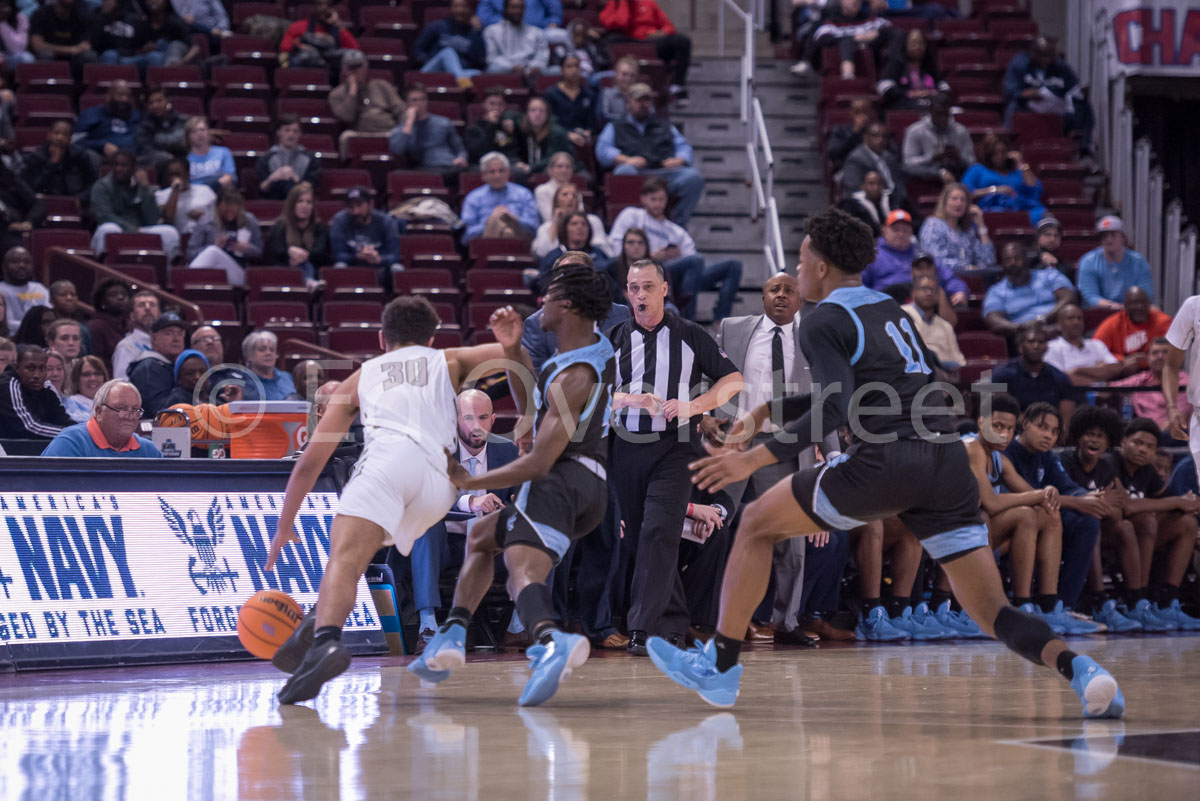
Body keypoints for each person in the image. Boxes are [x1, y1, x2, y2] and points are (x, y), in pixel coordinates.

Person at [646, 208, 1124, 718]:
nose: (799, 267)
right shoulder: (892, 310)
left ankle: (719, 667)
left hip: (886, 461)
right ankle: (1084, 673)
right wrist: (767, 409)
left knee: (757, 525)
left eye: (803, 256)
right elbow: (863, 393)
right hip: (945, 464)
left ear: (822, 264)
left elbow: (834, 406)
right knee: (993, 612)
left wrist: (753, 458)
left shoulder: (824, 317)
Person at [263, 297, 536, 703]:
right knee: (379, 540)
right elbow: (518, 359)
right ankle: (315, 626)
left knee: (346, 560)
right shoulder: (449, 359)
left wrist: (285, 526)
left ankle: (325, 640)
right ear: (431, 336)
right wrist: (525, 406)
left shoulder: (359, 378)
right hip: (439, 486)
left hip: (387, 466)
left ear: (381, 338)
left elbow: (309, 463)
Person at [406, 261, 616, 706]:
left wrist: (471, 479)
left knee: (523, 570)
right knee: (483, 536)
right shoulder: (584, 352)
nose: (542, 300)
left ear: (569, 305)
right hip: (582, 481)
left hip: (564, 480)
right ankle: (453, 635)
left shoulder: (577, 375)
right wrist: (515, 349)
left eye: (551, 293)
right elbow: (535, 405)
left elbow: (539, 463)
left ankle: (548, 642)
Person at [607, 259, 742, 653]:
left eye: (647, 287)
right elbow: (593, 395)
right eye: (633, 288)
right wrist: (632, 398)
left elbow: (733, 380)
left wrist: (692, 406)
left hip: (676, 446)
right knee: (640, 540)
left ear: (664, 290)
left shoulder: (690, 335)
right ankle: (672, 625)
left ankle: (642, 629)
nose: (640, 295)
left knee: (658, 531)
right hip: (627, 448)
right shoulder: (614, 338)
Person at [714, 272, 839, 645]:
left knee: (791, 540)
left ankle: (786, 623)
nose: (781, 296)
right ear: (763, 296)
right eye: (774, 290)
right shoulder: (733, 329)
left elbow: (824, 402)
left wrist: (832, 452)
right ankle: (708, 619)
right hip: (738, 442)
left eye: (789, 290)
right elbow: (713, 378)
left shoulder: (813, 341)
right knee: (717, 525)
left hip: (786, 445)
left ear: (800, 299)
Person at [964, 393, 1095, 634]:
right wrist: (1041, 494)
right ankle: (1022, 604)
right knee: (1026, 513)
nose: (1004, 434)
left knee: (1047, 513)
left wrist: (1045, 497)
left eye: (1010, 428)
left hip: (981, 532)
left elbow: (1038, 498)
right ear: (981, 423)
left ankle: (1048, 605)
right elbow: (990, 503)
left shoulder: (998, 457)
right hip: (952, 531)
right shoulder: (973, 448)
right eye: (997, 426)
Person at [408, 388, 519, 653]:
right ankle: (428, 627)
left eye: (483, 418)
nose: (476, 426)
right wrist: (471, 502)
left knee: (538, 528)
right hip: (445, 546)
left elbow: (522, 497)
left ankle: (519, 627)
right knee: (425, 525)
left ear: (493, 420)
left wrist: (517, 505)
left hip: (488, 549)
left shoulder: (507, 452)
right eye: (468, 418)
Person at [1105, 417, 1200, 629]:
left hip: (1138, 539)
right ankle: (1137, 601)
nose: (1143, 450)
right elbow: (1127, 507)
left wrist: (1188, 503)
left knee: (1187, 523)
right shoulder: (1110, 462)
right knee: (1146, 521)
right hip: (1110, 535)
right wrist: (1178, 501)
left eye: (1150, 447)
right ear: (1123, 441)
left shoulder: (1147, 470)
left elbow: (1170, 503)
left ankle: (1167, 602)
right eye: (1138, 443)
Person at [607, 177, 740, 321]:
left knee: (733, 265)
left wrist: (680, 256)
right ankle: (689, 321)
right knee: (693, 261)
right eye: (653, 199)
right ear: (643, 199)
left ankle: (720, 319)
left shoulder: (676, 231)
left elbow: (694, 261)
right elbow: (613, 248)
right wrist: (650, 256)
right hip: (646, 268)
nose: (658, 204)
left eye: (661, 199)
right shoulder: (632, 216)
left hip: (677, 275)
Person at [596, 83, 705, 225]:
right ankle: (631, 223)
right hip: (637, 172)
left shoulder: (664, 125)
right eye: (639, 100)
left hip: (663, 173)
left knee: (693, 177)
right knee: (624, 171)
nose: (643, 104)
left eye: (647, 100)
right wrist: (625, 159)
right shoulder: (615, 126)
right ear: (628, 103)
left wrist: (680, 160)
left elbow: (683, 146)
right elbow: (603, 150)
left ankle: (677, 224)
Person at [1003, 37, 1094, 154]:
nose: (1045, 59)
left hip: (1055, 106)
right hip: (1028, 104)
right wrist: (1026, 94)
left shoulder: (1061, 67)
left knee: (1083, 106)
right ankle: (1009, 147)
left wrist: (1080, 92)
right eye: (1042, 55)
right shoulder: (1019, 64)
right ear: (1032, 53)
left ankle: (1084, 149)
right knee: (1013, 106)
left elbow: (1073, 89)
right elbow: (1010, 91)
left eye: (1049, 56)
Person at [89, 149, 182, 260]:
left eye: (124, 165)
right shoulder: (102, 186)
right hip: (117, 228)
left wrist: (145, 189)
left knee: (169, 232)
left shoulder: (141, 188)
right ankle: (105, 269)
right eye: (116, 165)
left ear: (134, 168)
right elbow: (104, 216)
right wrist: (131, 230)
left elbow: (151, 220)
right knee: (108, 229)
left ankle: (166, 273)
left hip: (139, 230)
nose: (119, 169)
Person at [862, 210, 968, 305]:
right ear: (884, 230)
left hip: (921, 307)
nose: (901, 234)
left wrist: (959, 291)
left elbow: (948, 277)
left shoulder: (920, 255)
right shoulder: (871, 256)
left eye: (905, 230)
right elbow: (860, 286)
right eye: (895, 229)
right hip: (885, 306)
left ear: (911, 232)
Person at [43, 377, 163, 455]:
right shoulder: (70, 443)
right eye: (121, 409)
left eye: (135, 410)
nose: (130, 416)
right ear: (99, 412)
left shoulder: (149, 452)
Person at [983, 242, 1075, 339]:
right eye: (1007, 260)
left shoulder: (1050, 275)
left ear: (1026, 259)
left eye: (1017, 258)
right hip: (1024, 337)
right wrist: (1020, 328)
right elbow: (993, 319)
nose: (1012, 263)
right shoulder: (996, 291)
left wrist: (1042, 320)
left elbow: (1069, 298)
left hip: (1056, 328)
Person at [599, 0, 692, 95]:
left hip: (651, 41)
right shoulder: (615, 3)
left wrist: (661, 33)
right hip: (629, 41)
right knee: (608, 40)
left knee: (682, 41)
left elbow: (669, 27)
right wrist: (623, 3)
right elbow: (622, 22)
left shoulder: (648, 3)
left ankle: (677, 85)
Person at [328, 49, 406, 159]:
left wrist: (401, 129)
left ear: (366, 68)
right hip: (359, 134)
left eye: (358, 67)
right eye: (351, 67)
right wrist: (352, 92)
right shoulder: (337, 94)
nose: (355, 71)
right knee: (345, 137)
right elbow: (347, 117)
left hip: (388, 132)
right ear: (344, 70)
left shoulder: (382, 86)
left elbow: (401, 110)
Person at [992, 322, 1078, 420]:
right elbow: (1002, 411)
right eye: (1031, 341)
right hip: (1012, 430)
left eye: (1041, 342)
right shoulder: (1002, 374)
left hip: (1050, 431)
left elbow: (1067, 421)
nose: (1036, 346)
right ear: (1020, 347)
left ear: (1046, 348)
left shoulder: (1060, 378)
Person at [791, 0, 891, 79]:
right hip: (813, 23)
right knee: (823, 21)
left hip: (848, 22)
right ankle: (806, 61)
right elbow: (795, 1)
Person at [1111, 338, 1190, 433]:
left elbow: (1178, 420)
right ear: (1147, 358)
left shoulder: (1186, 382)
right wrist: (1121, 367)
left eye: (1166, 352)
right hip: (1142, 435)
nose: (1160, 356)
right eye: (1155, 353)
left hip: (1175, 436)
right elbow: (1106, 389)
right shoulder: (1141, 379)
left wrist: (1152, 437)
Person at [962, 133, 1045, 224]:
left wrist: (1022, 163)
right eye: (995, 153)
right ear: (988, 154)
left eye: (1003, 152)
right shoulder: (977, 169)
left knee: (1041, 213)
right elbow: (965, 192)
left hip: (1019, 209)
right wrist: (995, 190)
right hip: (990, 211)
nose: (999, 156)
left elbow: (1035, 189)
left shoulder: (1016, 171)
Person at [186, 189, 262, 286]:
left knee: (213, 251)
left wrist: (247, 248)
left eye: (233, 212)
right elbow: (190, 254)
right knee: (212, 251)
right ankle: (190, 281)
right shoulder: (205, 221)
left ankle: (188, 279)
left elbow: (259, 251)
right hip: (209, 270)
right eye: (225, 212)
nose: (229, 216)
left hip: (238, 271)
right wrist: (216, 245)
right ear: (217, 207)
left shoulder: (249, 221)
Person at [1077, 216, 1154, 310]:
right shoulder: (1088, 261)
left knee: (1155, 310)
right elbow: (1090, 296)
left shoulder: (1139, 261)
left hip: (1133, 311)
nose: (1109, 240)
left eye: (1113, 235)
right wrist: (1113, 307)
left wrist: (1127, 308)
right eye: (1104, 236)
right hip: (1101, 311)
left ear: (1123, 237)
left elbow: (1146, 294)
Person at [388, 83, 468, 173]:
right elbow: (397, 150)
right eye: (414, 100)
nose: (420, 104)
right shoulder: (402, 129)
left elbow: (460, 149)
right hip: (424, 169)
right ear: (406, 103)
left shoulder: (443, 122)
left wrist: (462, 158)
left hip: (449, 166)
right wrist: (409, 122)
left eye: (423, 99)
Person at [460, 153, 538, 244]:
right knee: (499, 223)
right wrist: (491, 222)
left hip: (520, 238)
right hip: (485, 242)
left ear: (508, 172)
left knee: (507, 229)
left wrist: (513, 218)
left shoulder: (524, 194)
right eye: (492, 172)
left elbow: (533, 227)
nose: (497, 175)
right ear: (483, 175)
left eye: (501, 171)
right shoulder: (473, 197)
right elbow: (467, 235)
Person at [918, 182, 995, 274]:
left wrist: (981, 225)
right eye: (954, 199)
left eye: (963, 200)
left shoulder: (968, 230)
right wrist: (965, 267)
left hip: (971, 279)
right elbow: (934, 259)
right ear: (944, 202)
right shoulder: (933, 225)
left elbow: (988, 261)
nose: (959, 203)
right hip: (943, 279)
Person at [0, 344, 73, 439]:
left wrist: (83, 432)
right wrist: (72, 435)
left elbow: (63, 420)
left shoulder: (47, 391)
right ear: (17, 368)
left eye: (42, 369)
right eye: (30, 368)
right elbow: (29, 427)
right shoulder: (9, 385)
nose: (36, 375)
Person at [266, 182, 330, 288]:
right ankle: (309, 282)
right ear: (292, 204)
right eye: (300, 201)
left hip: (312, 268)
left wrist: (302, 255)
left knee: (305, 264)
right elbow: (276, 250)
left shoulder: (320, 227)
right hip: (286, 269)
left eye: (309, 202)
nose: (304, 206)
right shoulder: (280, 226)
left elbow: (320, 251)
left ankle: (309, 281)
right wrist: (289, 252)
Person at [901, 94, 975, 184]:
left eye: (945, 114)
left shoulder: (960, 131)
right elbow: (908, 163)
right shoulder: (915, 131)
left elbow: (972, 161)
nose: (942, 118)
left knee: (976, 170)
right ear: (930, 112)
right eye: (938, 114)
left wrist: (959, 158)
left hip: (957, 173)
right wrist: (931, 158)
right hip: (927, 176)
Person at [329, 185, 402, 276]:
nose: (355, 211)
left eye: (359, 206)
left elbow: (394, 256)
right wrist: (357, 256)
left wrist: (379, 258)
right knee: (339, 266)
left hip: (380, 268)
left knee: (397, 268)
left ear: (370, 204)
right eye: (351, 207)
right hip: (352, 268)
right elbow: (337, 255)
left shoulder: (386, 221)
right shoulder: (339, 220)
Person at [20, 118, 97, 200]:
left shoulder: (80, 156)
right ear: (49, 135)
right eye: (56, 133)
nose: (60, 137)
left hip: (74, 201)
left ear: (70, 139)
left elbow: (92, 183)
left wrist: (81, 198)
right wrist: (53, 163)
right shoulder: (36, 157)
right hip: (45, 201)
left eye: (65, 134)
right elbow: (34, 187)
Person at [1045, 304, 1121, 386]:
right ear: (1060, 325)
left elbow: (1116, 368)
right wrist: (1099, 374)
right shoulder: (1051, 347)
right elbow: (1063, 379)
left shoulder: (1096, 344)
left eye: (1079, 318)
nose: (1076, 322)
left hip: (1104, 395)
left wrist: (1078, 370)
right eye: (1070, 318)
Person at [126, 312, 186, 417]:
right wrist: (187, 390)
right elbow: (159, 413)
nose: (176, 338)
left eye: (180, 333)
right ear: (153, 339)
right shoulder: (149, 368)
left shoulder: (172, 366)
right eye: (169, 333)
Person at [532, 182, 612, 260]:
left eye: (574, 195)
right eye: (565, 195)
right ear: (556, 201)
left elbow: (602, 250)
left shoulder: (592, 220)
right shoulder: (546, 227)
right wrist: (555, 223)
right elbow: (543, 253)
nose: (570, 198)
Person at [1093, 286, 1172, 362]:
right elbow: (1096, 352)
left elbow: (1173, 352)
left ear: (1149, 305)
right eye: (1134, 303)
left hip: (1155, 369)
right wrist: (1123, 360)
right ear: (1125, 306)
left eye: (1143, 303)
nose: (1139, 307)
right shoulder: (1112, 324)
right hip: (1121, 371)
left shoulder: (1163, 321)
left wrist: (1142, 362)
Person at [877, 29, 948, 112]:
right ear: (905, 45)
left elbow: (944, 87)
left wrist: (932, 94)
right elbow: (884, 87)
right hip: (905, 105)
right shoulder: (896, 64)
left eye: (921, 43)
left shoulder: (930, 65)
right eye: (913, 43)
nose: (917, 47)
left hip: (931, 103)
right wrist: (909, 93)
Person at [902, 274, 964, 369]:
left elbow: (959, 361)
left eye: (933, 290)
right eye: (924, 289)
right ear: (913, 293)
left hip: (946, 373)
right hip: (916, 371)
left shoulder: (945, 325)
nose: (929, 293)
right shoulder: (902, 315)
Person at [412, 0, 485, 80]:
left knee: (478, 74)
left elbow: (478, 58)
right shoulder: (437, 26)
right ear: (451, 8)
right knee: (448, 52)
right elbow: (417, 50)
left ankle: (459, 77)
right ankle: (460, 79)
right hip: (433, 70)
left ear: (470, 10)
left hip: (459, 71)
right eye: (456, 6)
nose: (460, 10)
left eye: (464, 6)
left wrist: (477, 31)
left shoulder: (473, 32)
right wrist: (428, 60)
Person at [840, 122, 905, 210]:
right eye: (875, 136)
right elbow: (854, 191)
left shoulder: (889, 157)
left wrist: (900, 202)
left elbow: (899, 185)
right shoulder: (855, 159)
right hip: (873, 205)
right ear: (866, 138)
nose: (880, 140)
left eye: (884, 137)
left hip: (894, 203)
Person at [74, 79, 141, 164]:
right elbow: (75, 141)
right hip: (101, 156)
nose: (125, 99)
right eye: (120, 95)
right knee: (90, 156)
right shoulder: (93, 113)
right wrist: (101, 146)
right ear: (109, 96)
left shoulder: (137, 116)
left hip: (133, 159)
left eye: (129, 96)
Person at [256, 115, 322, 201]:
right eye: (287, 130)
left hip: (300, 201)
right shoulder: (265, 158)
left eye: (295, 131)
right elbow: (262, 188)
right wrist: (272, 178)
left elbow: (310, 186)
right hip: (273, 200)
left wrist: (296, 180)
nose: (291, 134)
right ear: (279, 132)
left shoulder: (311, 159)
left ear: (300, 134)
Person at [278, 0, 359, 70]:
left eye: (327, 5)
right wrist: (299, 45)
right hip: (305, 67)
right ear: (313, 7)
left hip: (331, 69)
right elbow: (284, 48)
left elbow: (355, 50)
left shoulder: (337, 29)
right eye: (320, 4)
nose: (323, 8)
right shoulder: (298, 26)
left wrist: (338, 25)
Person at [30, 0, 95, 79]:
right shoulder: (41, 14)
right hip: (52, 56)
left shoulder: (82, 15)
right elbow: (37, 46)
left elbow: (86, 46)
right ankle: (45, 88)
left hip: (74, 60)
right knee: (45, 55)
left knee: (89, 57)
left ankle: (81, 90)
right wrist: (71, 50)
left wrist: (75, 50)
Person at [464, 86, 525, 170]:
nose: (496, 108)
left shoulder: (508, 126)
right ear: (484, 104)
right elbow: (477, 152)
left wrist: (513, 134)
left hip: (507, 164)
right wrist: (491, 125)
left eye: (500, 104)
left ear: (505, 106)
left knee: (521, 169)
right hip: (481, 164)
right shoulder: (474, 128)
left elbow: (516, 153)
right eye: (492, 104)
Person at [483, 0, 548, 78]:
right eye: (514, 7)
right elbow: (492, 57)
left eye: (521, 8)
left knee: (556, 70)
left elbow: (541, 56)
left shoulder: (537, 32)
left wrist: (532, 67)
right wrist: (511, 67)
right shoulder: (491, 31)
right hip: (505, 68)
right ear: (505, 9)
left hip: (531, 69)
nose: (518, 11)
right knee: (493, 69)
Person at [133, 0, 199, 71]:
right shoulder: (142, 25)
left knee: (175, 45)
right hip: (147, 66)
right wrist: (144, 50)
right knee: (155, 57)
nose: (153, 1)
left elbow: (195, 48)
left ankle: (167, 73)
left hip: (174, 63)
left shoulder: (176, 23)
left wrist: (182, 61)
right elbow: (134, 52)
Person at [156, 155, 214, 236]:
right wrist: (175, 191)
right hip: (178, 238)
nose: (174, 178)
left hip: (204, 237)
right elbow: (168, 220)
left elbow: (217, 218)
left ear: (187, 174)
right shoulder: (161, 195)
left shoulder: (205, 190)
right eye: (171, 175)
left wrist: (203, 217)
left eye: (178, 174)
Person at [544, 54, 594, 147]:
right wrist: (566, 134)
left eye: (576, 66)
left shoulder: (588, 94)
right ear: (562, 70)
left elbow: (592, 122)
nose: (574, 70)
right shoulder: (551, 93)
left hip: (582, 137)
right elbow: (550, 122)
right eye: (569, 66)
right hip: (558, 138)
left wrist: (588, 132)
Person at [517, 96, 574, 176]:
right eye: (533, 110)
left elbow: (552, 159)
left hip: (564, 170)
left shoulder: (555, 132)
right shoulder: (524, 130)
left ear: (548, 114)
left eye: (542, 111)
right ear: (527, 113)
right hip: (536, 169)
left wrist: (530, 167)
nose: (537, 114)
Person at [137, 87, 190, 171]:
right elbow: (147, 151)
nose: (155, 105)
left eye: (159, 101)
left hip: (185, 162)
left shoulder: (183, 121)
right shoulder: (144, 126)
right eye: (151, 103)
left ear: (167, 101)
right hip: (159, 166)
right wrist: (167, 157)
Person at [112, 289, 159, 381]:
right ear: (132, 316)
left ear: (159, 314)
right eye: (141, 305)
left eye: (152, 305)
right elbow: (122, 383)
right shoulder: (126, 347)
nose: (148, 308)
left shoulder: (165, 343)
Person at [0, 245, 49, 334]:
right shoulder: (1, 289)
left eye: (26, 262)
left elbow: (50, 318)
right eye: (15, 262)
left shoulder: (39, 288)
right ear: (4, 266)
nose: (22, 265)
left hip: (40, 339)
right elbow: (5, 324)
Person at [238, 329, 295, 402]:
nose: (268, 353)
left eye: (272, 350)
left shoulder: (287, 377)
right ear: (249, 355)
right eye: (262, 350)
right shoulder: (242, 382)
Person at [86, 278, 131, 367]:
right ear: (102, 302)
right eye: (114, 295)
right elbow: (96, 362)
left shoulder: (131, 326)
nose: (120, 297)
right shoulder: (95, 327)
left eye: (124, 294)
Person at [184, 117, 235, 190]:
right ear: (188, 137)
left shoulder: (223, 152)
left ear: (208, 132)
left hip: (219, 192)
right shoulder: (186, 160)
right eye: (194, 131)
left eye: (202, 130)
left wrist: (212, 186)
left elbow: (229, 178)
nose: (199, 134)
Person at [827, 97, 875, 170]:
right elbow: (833, 153)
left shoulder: (877, 130)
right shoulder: (840, 130)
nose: (862, 116)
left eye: (865, 112)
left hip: (874, 169)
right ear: (851, 114)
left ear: (871, 113)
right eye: (857, 112)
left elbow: (893, 153)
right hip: (848, 168)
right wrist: (854, 133)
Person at [837, 170, 890, 235]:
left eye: (879, 183)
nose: (876, 187)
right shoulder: (852, 206)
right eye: (871, 184)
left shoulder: (892, 202)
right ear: (863, 186)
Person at [595, 54, 638, 130]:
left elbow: (649, 118)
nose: (628, 79)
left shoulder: (640, 96)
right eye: (624, 74)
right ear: (616, 74)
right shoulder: (606, 93)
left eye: (632, 76)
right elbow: (603, 118)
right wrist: (630, 121)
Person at [534, 151, 578, 222]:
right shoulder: (542, 190)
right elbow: (548, 218)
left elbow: (580, 215)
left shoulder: (574, 190)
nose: (564, 170)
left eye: (568, 167)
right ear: (550, 170)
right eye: (559, 166)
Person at [63, 354, 107, 422]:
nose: (93, 378)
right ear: (77, 379)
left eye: (97, 374)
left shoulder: (113, 403)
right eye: (86, 374)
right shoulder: (69, 405)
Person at [0, 0, 33, 67]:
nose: (3, 10)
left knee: (27, 58)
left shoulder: (20, 19)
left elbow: (16, 49)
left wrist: (2, 22)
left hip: (11, 57)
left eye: (4, 6)